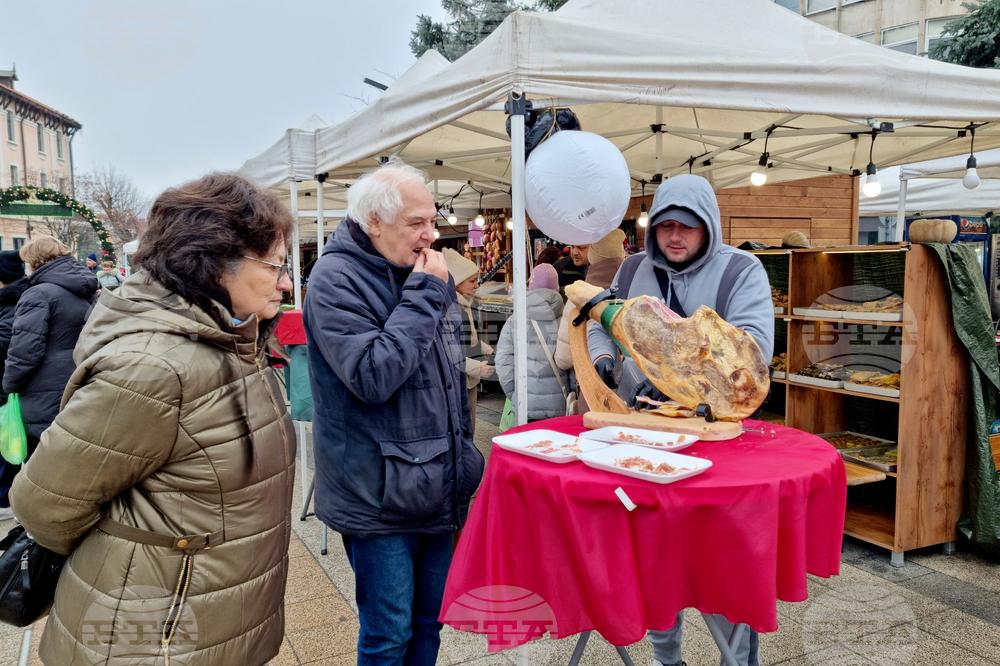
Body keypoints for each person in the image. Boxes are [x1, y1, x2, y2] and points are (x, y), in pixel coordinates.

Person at [9, 174, 297, 666]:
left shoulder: (231, 345)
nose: (288, 282)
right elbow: (44, 504)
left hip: (213, 619)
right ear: (213, 266)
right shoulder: (156, 368)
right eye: (275, 265)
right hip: (154, 636)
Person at [303, 160, 484, 666]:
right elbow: (371, 376)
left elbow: (444, 377)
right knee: (388, 634)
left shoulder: (421, 269)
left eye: (433, 221)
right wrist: (426, 296)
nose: (431, 235)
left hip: (438, 483)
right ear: (374, 221)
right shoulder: (335, 279)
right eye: (417, 224)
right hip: (377, 492)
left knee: (430, 622)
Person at [588, 174, 774, 666]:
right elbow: (600, 317)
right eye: (665, 226)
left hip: (720, 444)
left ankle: (738, 658)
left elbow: (751, 355)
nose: (674, 237)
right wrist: (607, 357)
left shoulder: (742, 271)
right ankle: (665, 658)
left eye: (686, 228)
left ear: (707, 227)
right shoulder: (630, 270)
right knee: (653, 555)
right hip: (645, 435)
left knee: (728, 557)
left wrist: (679, 372)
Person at [2, 237, 98, 450]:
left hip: (43, 389)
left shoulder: (38, 293)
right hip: (79, 381)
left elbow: (24, 351)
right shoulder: (85, 289)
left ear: (34, 261)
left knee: (38, 462)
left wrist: (9, 385)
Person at [495, 263, 570, 422]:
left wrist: (515, 394)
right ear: (556, 289)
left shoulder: (515, 321)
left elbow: (503, 363)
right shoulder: (566, 321)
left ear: (531, 287)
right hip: (560, 406)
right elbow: (573, 365)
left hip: (524, 404)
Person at [554, 228, 626, 373]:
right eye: (572, 247)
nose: (574, 252)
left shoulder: (577, 298)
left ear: (593, 251)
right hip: (642, 388)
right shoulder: (636, 289)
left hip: (593, 382)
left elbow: (563, 359)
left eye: (581, 247)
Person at [444, 248, 494, 437]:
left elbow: (469, 338)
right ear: (456, 284)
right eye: (472, 281)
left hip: (468, 380)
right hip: (457, 381)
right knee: (463, 428)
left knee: (470, 423)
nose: (476, 286)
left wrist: (484, 348)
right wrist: (477, 367)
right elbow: (449, 351)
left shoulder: (465, 304)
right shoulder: (450, 309)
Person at [0, 249, 27, 520]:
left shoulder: (12, 300)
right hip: (11, 382)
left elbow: (6, 342)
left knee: (9, 440)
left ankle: (5, 499)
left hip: (11, 384)